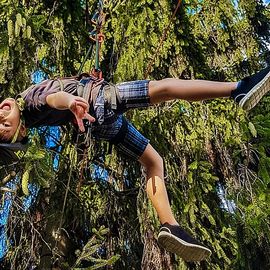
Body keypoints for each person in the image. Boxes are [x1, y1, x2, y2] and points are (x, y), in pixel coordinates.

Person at [0, 67, 270, 262]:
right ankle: (237, 89)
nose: (2, 113)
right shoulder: (31, 104)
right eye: (4, 124)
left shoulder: (27, 110)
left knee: (154, 161)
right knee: (164, 88)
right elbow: (52, 99)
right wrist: (70, 101)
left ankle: (169, 224)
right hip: (101, 101)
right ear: (21, 132)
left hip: (101, 124)